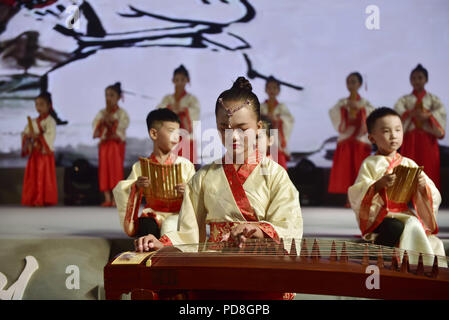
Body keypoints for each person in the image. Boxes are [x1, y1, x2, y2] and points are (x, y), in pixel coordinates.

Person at [135, 76, 303, 299]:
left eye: (242, 128)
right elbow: (189, 232)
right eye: (224, 128)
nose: (233, 136)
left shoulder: (275, 175)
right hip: (213, 269)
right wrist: (161, 242)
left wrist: (258, 230)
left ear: (259, 128)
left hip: (261, 270)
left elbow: (289, 225)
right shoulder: (204, 176)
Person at [348, 107, 446, 267]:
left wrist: (422, 186)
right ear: (372, 138)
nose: (393, 135)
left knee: (431, 240)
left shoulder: (409, 163)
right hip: (381, 215)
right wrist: (378, 184)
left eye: (398, 130)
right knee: (397, 226)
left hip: (402, 212)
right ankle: (378, 255)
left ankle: (421, 266)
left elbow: (432, 194)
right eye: (386, 131)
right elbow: (357, 192)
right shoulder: (370, 163)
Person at [113, 108, 196, 238]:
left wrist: (188, 190)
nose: (176, 137)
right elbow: (122, 190)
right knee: (146, 226)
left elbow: (198, 193)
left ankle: (169, 257)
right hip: (153, 213)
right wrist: (136, 186)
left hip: (178, 214)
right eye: (171, 131)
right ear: (154, 134)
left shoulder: (186, 165)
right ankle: (149, 257)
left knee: (170, 227)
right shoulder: (140, 166)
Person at [394, 64, 446, 190]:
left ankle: (428, 197)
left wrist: (428, 116)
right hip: (410, 139)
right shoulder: (404, 99)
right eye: (413, 78)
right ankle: (407, 198)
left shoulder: (433, 99)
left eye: (420, 78)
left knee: (428, 169)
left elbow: (441, 112)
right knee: (408, 168)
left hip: (428, 140)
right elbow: (398, 112)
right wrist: (410, 113)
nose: (416, 81)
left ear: (426, 80)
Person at [328, 72, 375, 204]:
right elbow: (334, 112)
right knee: (347, 171)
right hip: (346, 138)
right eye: (349, 82)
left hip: (360, 140)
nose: (351, 85)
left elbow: (372, 114)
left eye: (354, 82)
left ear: (360, 84)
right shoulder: (342, 102)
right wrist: (344, 110)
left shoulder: (365, 103)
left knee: (360, 169)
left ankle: (360, 198)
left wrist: (361, 111)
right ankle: (349, 198)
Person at [92, 82, 129, 207]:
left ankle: (115, 198)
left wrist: (113, 122)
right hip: (105, 145)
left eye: (112, 95)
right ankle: (107, 197)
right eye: (107, 95)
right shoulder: (101, 113)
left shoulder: (121, 113)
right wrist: (102, 122)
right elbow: (95, 128)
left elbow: (123, 127)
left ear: (118, 97)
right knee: (104, 170)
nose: (108, 98)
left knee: (115, 170)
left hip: (115, 145)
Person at [156, 65, 200, 164]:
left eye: (182, 79)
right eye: (177, 79)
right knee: (169, 169)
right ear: (173, 80)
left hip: (187, 139)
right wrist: (169, 109)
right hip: (170, 139)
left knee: (187, 168)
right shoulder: (167, 99)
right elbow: (158, 111)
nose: (179, 82)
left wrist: (184, 111)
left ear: (187, 80)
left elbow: (195, 113)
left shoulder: (192, 99)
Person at [21, 91, 58, 206]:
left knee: (44, 177)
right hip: (35, 154)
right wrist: (27, 137)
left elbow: (50, 136)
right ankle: (33, 199)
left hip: (44, 155)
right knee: (33, 178)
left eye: (41, 104)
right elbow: (25, 134)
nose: (38, 107)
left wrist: (37, 136)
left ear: (49, 105)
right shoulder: (32, 122)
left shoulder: (50, 121)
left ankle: (43, 199)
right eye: (37, 104)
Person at [260, 76, 294, 169]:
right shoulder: (261, 107)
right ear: (266, 89)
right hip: (263, 140)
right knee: (264, 171)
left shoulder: (281, 107)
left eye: (274, 88)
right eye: (269, 88)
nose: (272, 90)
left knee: (279, 169)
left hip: (276, 140)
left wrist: (278, 119)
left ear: (278, 91)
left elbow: (289, 120)